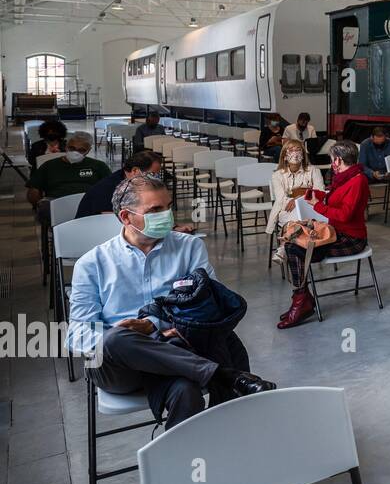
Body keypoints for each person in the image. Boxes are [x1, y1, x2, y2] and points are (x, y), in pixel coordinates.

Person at [68, 174, 275, 428]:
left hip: (179, 351)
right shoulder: (92, 264)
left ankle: (183, 464)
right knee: (114, 339)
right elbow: (77, 334)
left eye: (168, 207)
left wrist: (153, 327)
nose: (167, 215)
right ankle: (223, 375)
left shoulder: (188, 248)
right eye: (155, 209)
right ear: (125, 217)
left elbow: (210, 306)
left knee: (186, 391)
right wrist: (130, 333)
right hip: (119, 367)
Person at [279, 140, 370, 329]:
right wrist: (317, 195)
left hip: (352, 239)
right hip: (338, 234)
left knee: (294, 250)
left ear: (337, 160)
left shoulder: (357, 180)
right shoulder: (346, 177)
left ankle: (301, 300)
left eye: (331, 160)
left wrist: (318, 206)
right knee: (292, 247)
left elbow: (345, 215)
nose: (331, 164)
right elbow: (334, 198)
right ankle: (302, 299)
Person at [27, 132, 112, 228]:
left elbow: (111, 187)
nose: (75, 152)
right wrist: (38, 202)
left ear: (88, 150)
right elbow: (34, 188)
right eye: (72, 148)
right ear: (66, 146)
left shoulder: (98, 166)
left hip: (87, 202)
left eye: (81, 150)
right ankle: (61, 234)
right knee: (46, 208)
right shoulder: (49, 166)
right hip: (57, 202)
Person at [266, 138, 325, 265]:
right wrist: (305, 192)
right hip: (287, 209)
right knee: (297, 218)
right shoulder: (277, 175)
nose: (295, 152)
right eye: (291, 150)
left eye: (298, 150)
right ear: (285, 156)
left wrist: (297, 198)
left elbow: (320, 193)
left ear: (303, 155)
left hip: (309, 208)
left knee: (301, 219)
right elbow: (282, 199)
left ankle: (284, 246)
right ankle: (298, 246)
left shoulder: (314, 170)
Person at [76, 150, 163, 219]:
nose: (155, 178)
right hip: (91, 228)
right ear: (135, 171)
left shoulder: (130, 180)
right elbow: (110, 217)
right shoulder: (109, 187)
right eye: (152, 174)